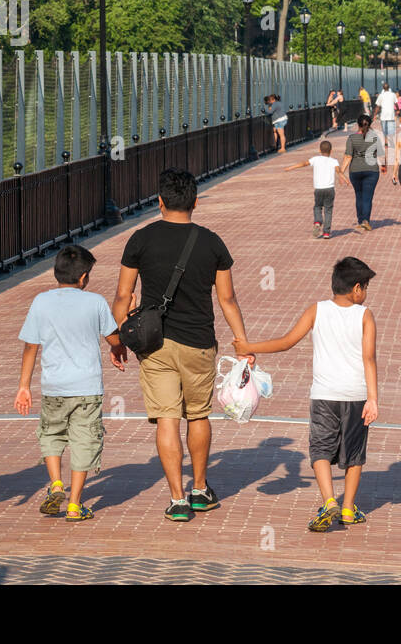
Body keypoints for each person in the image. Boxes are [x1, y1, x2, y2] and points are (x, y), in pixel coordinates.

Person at [113, 167, 253, 522]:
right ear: (195, 202)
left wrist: (119, 339)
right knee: (199, 414)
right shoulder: (211, 242)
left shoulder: (140, 239)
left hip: (154, 344)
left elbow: (122, 295)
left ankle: (177, 499)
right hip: (199, 342)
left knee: (167, 418)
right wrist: (242, 343)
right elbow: (228, 300)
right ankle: (200, 489)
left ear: (160, 202)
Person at [233, 257, 379, 532]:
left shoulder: (317, 310)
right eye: (366, 287)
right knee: (355, 453)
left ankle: (328, 502)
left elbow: (287, 341)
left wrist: (250, 346)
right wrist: (372, 398)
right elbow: (369, 358)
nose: (366, 293)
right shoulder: (365, 315)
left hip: (324, 394)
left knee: (320, 449)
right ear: (357, 288)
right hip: (356, 394)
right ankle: (348, 508)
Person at [15, 246, 124, 523]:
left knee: (52, 435)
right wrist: (117, 348)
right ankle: (75, 505)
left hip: (54, 386)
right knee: (83, 441)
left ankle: (55, 484)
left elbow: (31, 346)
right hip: (87, 387)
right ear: (84, 277)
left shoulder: (40, 301)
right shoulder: (96, 302)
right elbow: (113, 337)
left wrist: (24, 385)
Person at [286, 138, 347, 239]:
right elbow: (338, 171)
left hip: (318, 189)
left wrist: (291, 167)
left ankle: (318, 221)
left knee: (317, 207)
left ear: (320, 150)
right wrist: (345, 178)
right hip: (330, 189)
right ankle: (326, 232)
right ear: (331, 151)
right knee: (328, 210)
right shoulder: (334, 161)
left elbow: (304, 163)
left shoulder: (315, 159)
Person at [340, 114, 387, 232]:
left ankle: (360, 221)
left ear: (358, 124)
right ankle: (366, 220)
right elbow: (381, 154)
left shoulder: (351, 138)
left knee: (358, 195)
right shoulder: (374, 138)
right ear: (370, 125)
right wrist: (383, 166)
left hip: (355, 170)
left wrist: (341, 172)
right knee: (368, 197)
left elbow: (348, 156)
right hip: (371, 171)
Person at [374, 83, 398, 149]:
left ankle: (386, 142)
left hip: (383, 116)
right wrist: (398, 110)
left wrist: (374, 115)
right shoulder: (393, 94)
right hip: (391, 115)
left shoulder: (381, 95)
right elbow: (396, 103)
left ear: (383, 88)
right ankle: (392, 141)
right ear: (389, 87)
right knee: (391, 131)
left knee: (385, 130)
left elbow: (377, 106)